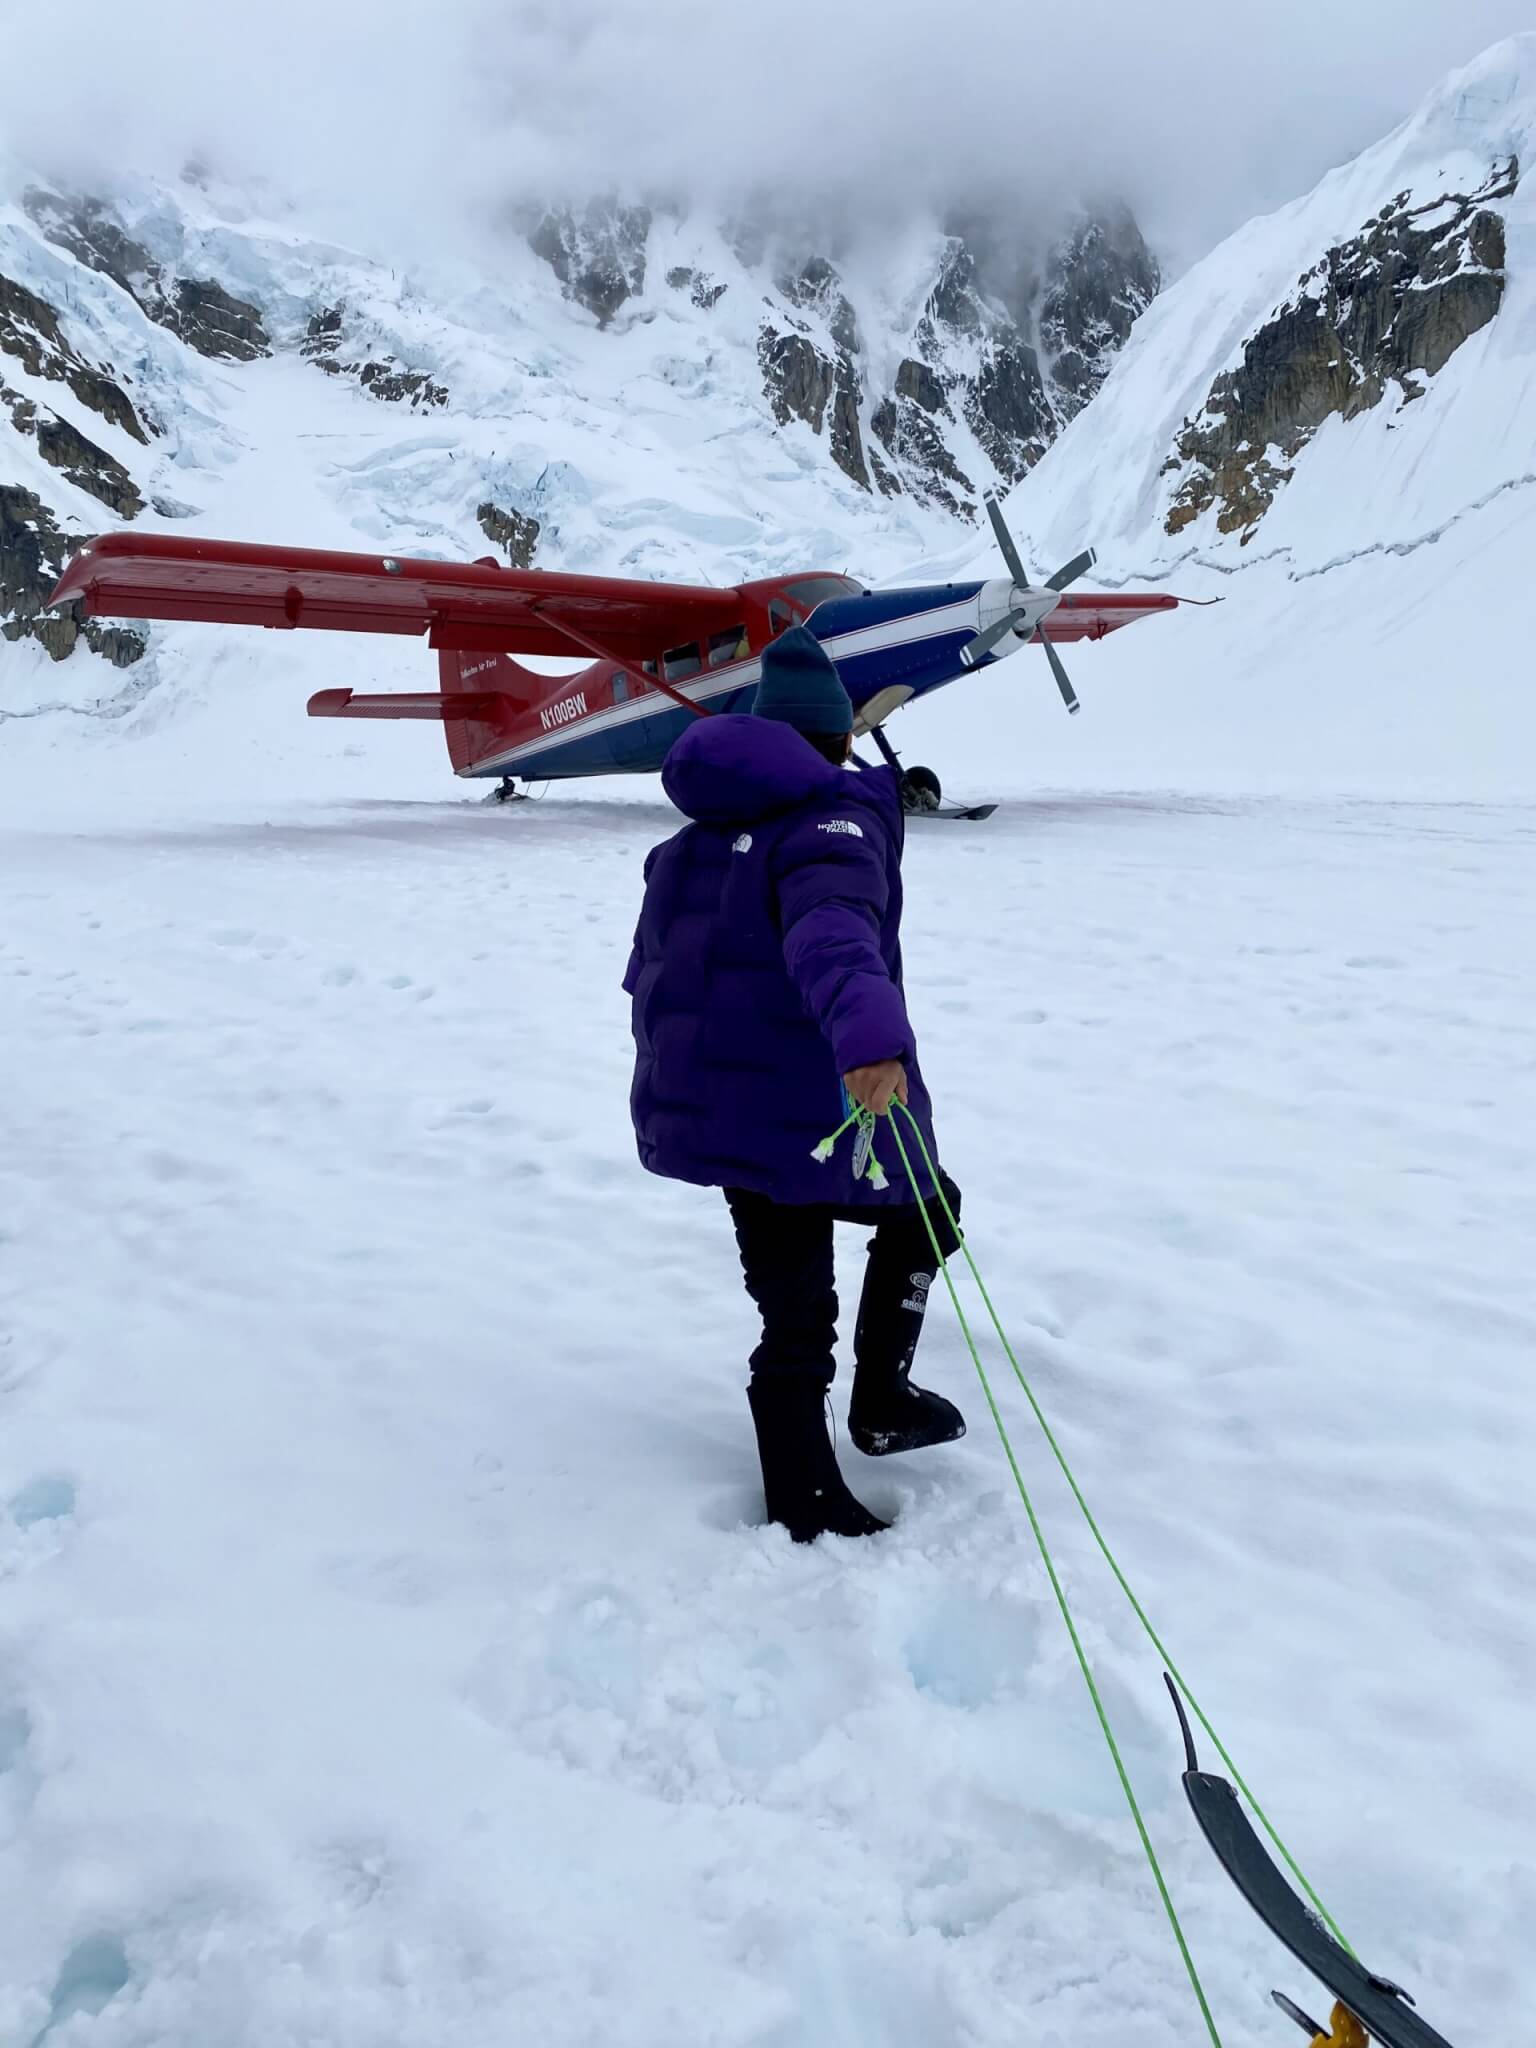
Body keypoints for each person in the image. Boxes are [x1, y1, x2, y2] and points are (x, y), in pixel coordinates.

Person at [624, 623, 966, 1543]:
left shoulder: (691, 841)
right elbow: (835, 937)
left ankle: (861, 1421)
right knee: (910, 1224)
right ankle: (846, 1446)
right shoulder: (832, 823)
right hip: (815, 1099)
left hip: (726, 1112)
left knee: (808, 1285)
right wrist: (869, 1043)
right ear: (838, 738)